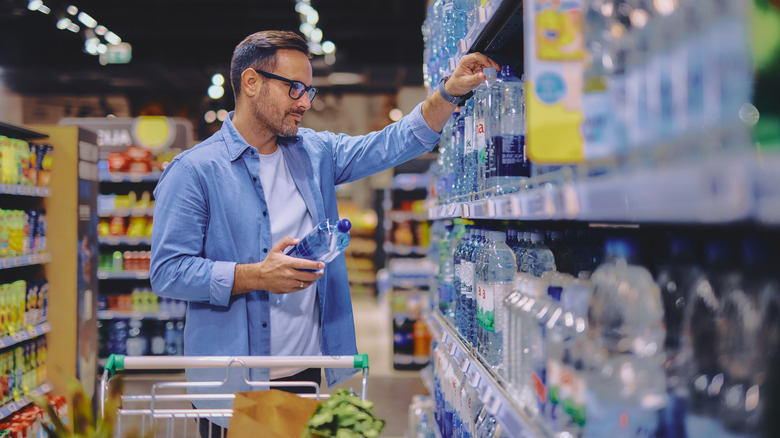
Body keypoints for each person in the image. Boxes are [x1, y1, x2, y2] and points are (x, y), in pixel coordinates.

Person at [150, 29, 499, 435]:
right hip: (235, 381)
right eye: (294, 88)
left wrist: (449, 93)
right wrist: (255, 276)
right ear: (251, 82)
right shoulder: (194, 171)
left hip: (303, 370)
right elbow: (168, 271)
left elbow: (392, 143)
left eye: (309, 91)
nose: (304, 103)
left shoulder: (315, 153)